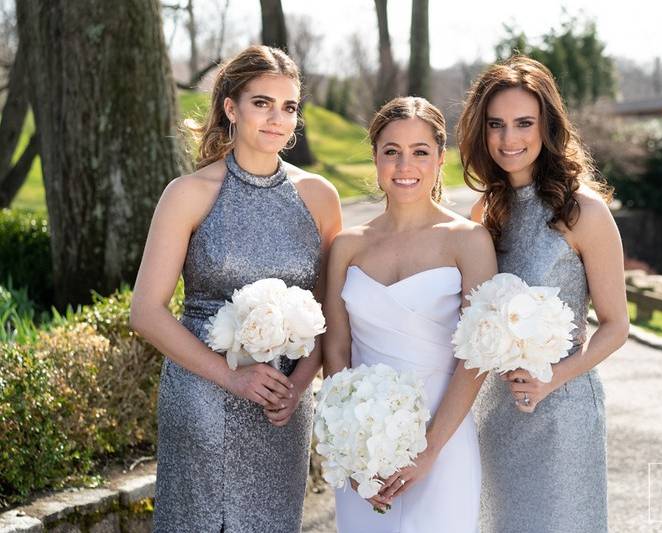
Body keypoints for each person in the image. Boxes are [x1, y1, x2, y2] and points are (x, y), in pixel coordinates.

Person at [129, 45, 341, 532]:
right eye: (262, 103)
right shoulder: (188, 194)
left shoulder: (319, 197)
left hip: (281, 408)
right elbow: (146, 311)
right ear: (231, 107)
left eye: (288, 107)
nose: (277, 119)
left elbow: (330, 313)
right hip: (203, 397)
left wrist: (301, 384)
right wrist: (232, 379)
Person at [457, 56, 630, 532]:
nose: (509, 139)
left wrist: (554, 379)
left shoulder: (584, 211)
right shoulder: (484, 211)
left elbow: (617, 325)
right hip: (496, 409)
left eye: (523, 123)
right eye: (496, 125)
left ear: (547, 126)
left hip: (562, 411)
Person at [323, 96, 496, 533]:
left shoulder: (468, 241)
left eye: (420, 152)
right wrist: (353, 447)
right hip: (363, 453)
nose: (405, 166)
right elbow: (337, 350)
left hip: (445, 441)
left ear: (440, 159)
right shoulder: (348, 246)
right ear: (376, 159)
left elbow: (476, 356)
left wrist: (430, 449)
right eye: (391, 152)